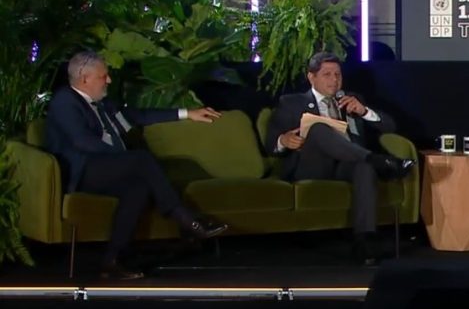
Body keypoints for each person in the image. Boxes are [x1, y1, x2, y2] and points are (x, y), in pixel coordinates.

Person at [45, 51, 229, 280]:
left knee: (138, 188)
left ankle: (112, 261)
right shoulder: (65, 101)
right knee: (140, 159)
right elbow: (83, 142)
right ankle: (185, 218)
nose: (109, 80)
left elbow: (138, 115)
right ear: (85, 79)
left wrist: (187, 113)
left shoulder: (103, 102)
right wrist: (125, 158)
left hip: (106, 167)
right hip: (83, 170)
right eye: (103, 76)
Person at [264, 52, 414, 266]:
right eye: (327, 74)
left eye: (337, 74)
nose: (334, 80)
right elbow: (271, 144)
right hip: (312, 166)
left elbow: (390, 127)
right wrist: (284, 140)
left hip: (346, 165)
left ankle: (364, 242)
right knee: (317, 127)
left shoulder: (350, 100)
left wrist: (364, 112)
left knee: (364, 168)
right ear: (311, 77)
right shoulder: (291, 102)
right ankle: (379, 161)